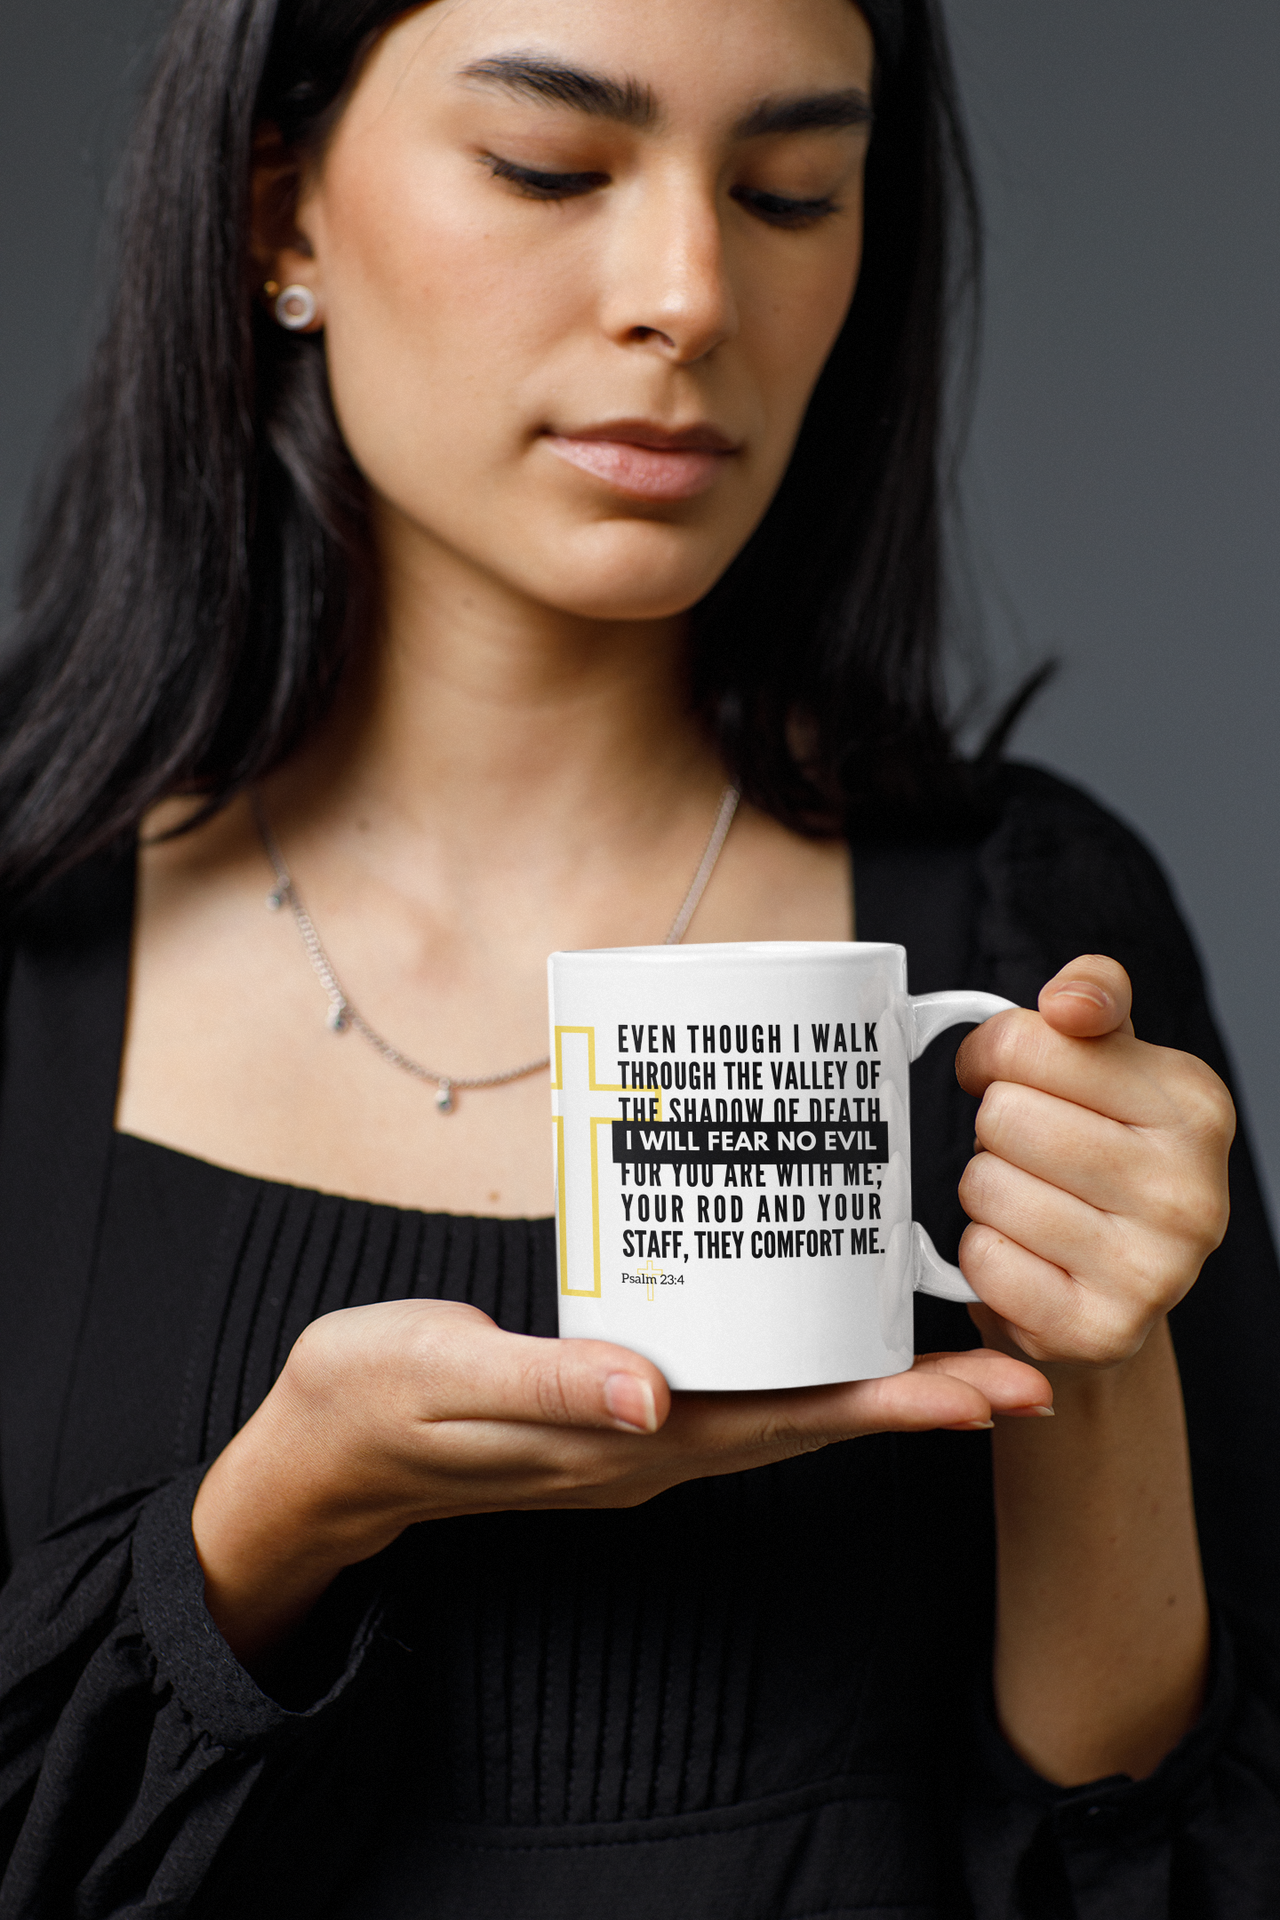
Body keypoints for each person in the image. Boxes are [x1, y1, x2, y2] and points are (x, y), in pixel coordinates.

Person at [0, 0, 1276, 1913]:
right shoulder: (35, 940)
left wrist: (1097, 1358)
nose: (689, 292)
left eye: (788, 191)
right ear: (281, 215)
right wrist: (280, 1515)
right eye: (549, 167)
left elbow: (1165, 1849)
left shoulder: (1025, 932)